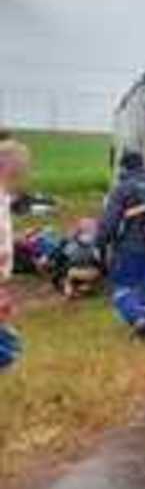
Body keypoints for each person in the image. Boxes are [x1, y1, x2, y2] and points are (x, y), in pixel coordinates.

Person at [96, 151, 145, 340]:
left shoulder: (122, 189)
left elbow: (110, 222)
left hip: (131, 248)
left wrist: (99, 242)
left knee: (122, 289)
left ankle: (138, 320)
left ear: (124, 167)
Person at [0, 140, 31, 369]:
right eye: (20, 168)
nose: (23, 174)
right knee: (10, 346)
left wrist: (14, 240)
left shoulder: (3, 196)